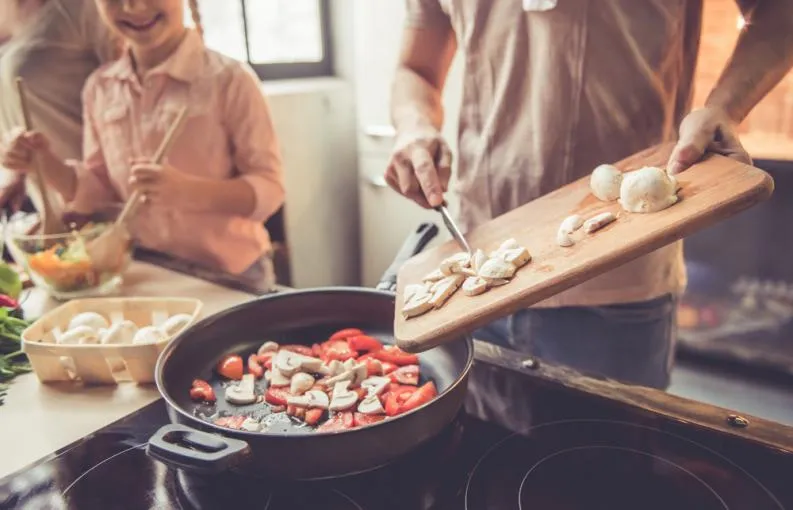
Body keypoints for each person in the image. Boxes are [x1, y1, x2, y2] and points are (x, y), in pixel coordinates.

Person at [386, 1, 793, 389]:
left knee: (608, 455)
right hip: (479, 259)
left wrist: (725, 107)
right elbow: (415, 69)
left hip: (620, 279)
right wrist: (413, 125)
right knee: (488, 448)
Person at [0, 0, 285, 288]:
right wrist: (44, 162)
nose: (133, 6)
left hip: (231, 273)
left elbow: (269, 189)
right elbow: (99, 192)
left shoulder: (231, 80)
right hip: (147, 270)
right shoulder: (99, 88)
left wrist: (187, 191)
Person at [0, 0, 119, 216]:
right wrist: (16, 176)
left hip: (106, 204)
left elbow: (133, 91)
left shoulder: (84, 7)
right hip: (51, 215)